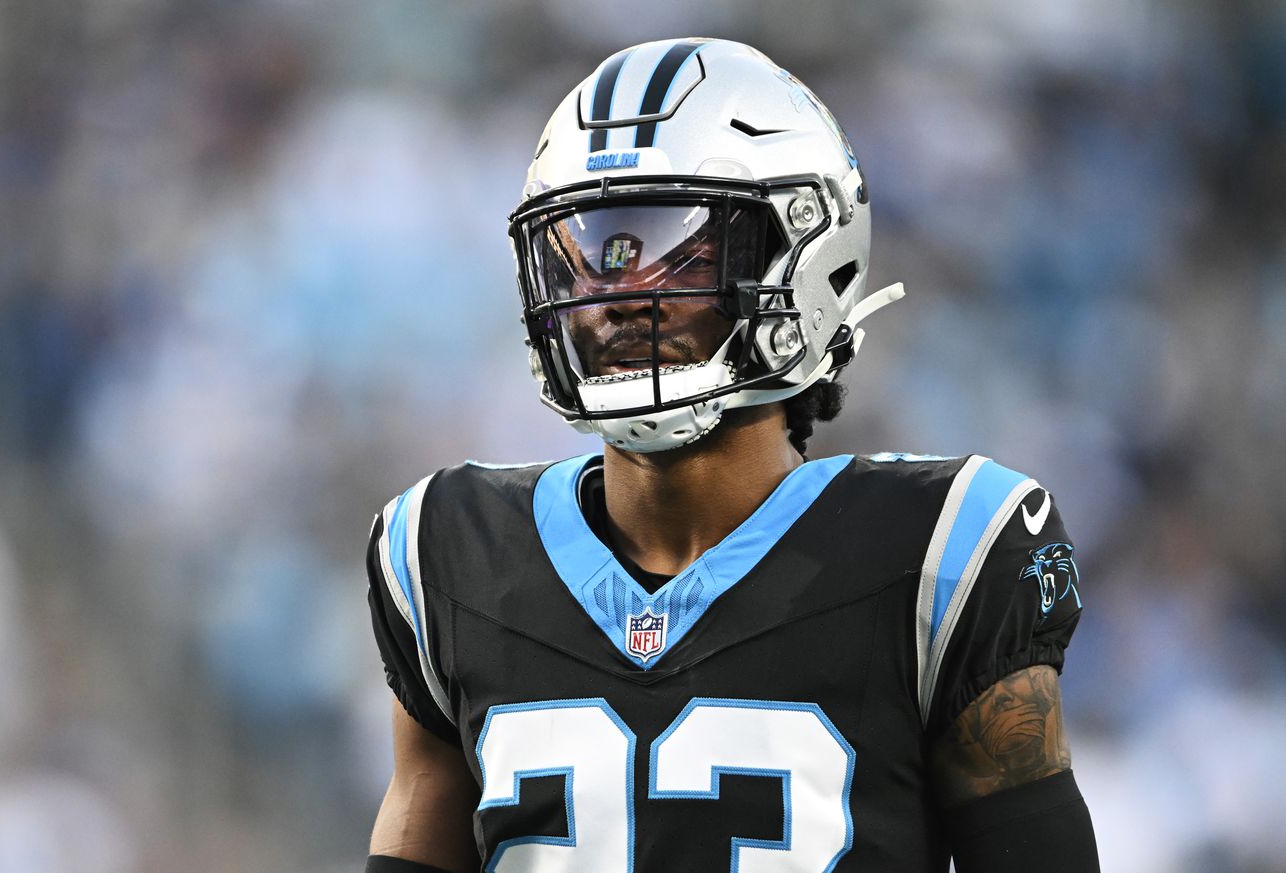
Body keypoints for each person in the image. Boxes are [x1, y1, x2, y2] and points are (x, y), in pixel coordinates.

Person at [363, 38, 1099, 873]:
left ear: (804, 248)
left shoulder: (943, 552)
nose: (618, 293)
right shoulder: (447, 553)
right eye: (590, 250)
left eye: (673, 245)